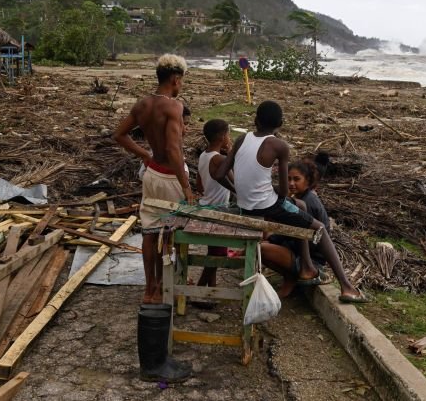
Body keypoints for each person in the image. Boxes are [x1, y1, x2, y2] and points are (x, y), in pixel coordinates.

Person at [215, 100, 367, 303]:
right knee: (319, 227)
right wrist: (272, 192)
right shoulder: (279, 145)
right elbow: (285, 191)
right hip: (268, 205)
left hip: (244, 205)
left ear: (255, 120)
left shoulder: (242, 139)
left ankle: (306, 266)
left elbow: (219, 174)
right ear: (281, 123)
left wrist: (239, 191)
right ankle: (347, 287)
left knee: (301, 208)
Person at [113, 54, 196, 305]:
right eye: (180, 81)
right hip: (171, 177)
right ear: (175, 79)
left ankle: (150, 289)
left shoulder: (142, 105)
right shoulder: (174, 106)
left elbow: (119, 134)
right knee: (170, 231)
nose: (180, 85)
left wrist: (146, 156)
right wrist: (187, 186)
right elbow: (173, 151)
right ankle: (165, 285)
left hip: (152, 174)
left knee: (150, 232)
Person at [261, 157, 332, 297]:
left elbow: (304, 239)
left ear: (308, 181)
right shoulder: (298, 198)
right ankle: (289, 278)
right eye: (288, 179)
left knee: (260, 249)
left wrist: (273, 240)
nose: (291, 183)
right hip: (297, 251)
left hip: (311, 260)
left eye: (296, 179)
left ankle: (291, 277)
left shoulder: (308, 203)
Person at [194, 119, 235, 289]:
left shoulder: (204, 155)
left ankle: (210, 290)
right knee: (218, 253)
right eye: (228, 134)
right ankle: (199, 288)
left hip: (205, 205)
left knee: (213, 251)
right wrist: (231, 152)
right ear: (223, 137)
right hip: (217, 210)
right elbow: (235, 181)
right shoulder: (218, 159)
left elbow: (198, 184)